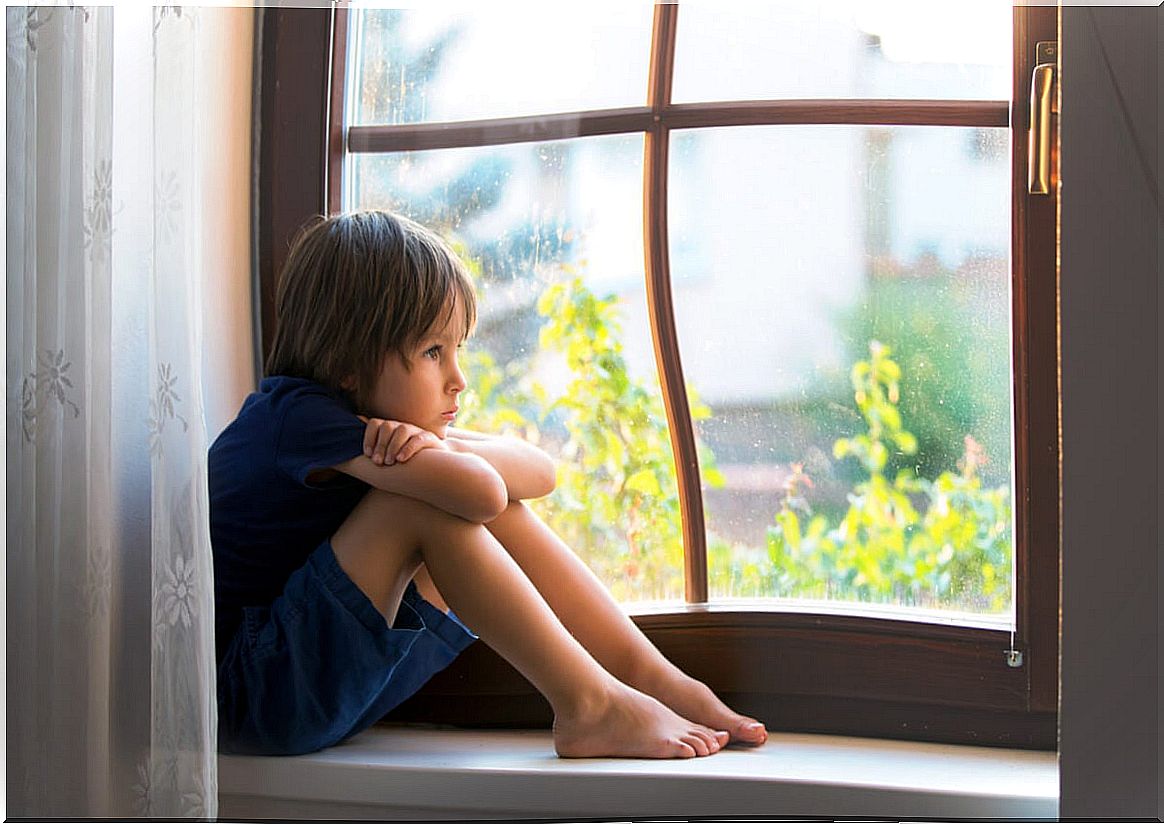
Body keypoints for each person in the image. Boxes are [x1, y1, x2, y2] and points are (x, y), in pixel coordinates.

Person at [209, 210, 768, 758]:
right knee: (421, 507)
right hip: (254, 692)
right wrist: (442, 459)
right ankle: (589, 704)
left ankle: (648, 677)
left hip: (309, 684)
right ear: (347, 364)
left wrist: (437, 448)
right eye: (432, 352)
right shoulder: (295, 416)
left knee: (470, 503)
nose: (458, 379)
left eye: (458, 349)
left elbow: (538, 473)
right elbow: (481, 492)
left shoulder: (382, 431)